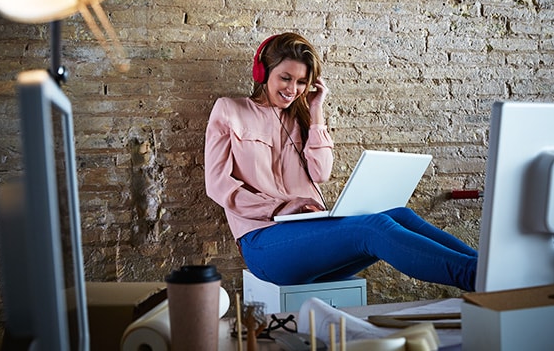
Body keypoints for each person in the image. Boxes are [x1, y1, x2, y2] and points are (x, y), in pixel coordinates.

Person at [204, 32, 478, 291]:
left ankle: (489, 268)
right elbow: (217, 186)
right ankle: (475, 277)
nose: (293, 89)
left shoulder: (300, 118)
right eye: (285, 78)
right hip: (264, 243)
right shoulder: (229, 110)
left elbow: (321, 172)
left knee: (400, 214)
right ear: (262, 73)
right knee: (374, 229)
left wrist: (315, 110)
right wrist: (280, 207)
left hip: (313, 236)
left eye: (301, 82)